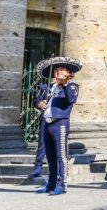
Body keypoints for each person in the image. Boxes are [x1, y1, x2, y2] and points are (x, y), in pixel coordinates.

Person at [33, 56, 82, 196]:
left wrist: (64, 84)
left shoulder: (72, 86)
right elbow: (37, 99)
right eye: (56, 70)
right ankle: (51, 183)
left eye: (61, 70)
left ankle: (62, 184)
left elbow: (70, 99)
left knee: (61, 155)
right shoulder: (47, 87)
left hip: (60, 122)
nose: (57, 72)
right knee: (50, 156)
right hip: (46, 123)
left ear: (69, 74)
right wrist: (38, 103)